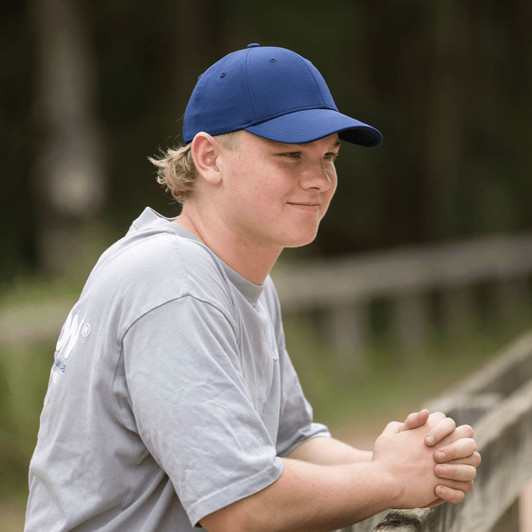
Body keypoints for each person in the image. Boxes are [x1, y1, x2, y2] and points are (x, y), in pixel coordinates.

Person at [25, 44, 480, 532]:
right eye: (290, 155)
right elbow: (241, 509)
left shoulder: (233, 276)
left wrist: (411, 465)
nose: (319, 179)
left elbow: (290, 441)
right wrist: (389, 480)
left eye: (329, 156)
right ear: (209, 158)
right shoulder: (173, 281)